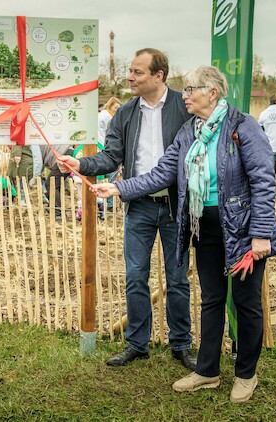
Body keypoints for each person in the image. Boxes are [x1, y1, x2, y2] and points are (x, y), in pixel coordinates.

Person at [92, 65, 276, 403]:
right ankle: (208, 371)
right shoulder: (189, 131)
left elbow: (264, 181)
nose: (184, 96)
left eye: (191, 89)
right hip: (205, 226)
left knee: (245, 302)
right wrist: (120, 189)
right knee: (211, 299)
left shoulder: (243, 126)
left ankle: (245, 374)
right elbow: (162, 172)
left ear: (212, 92)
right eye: (184, 90)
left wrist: (260, 234)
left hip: (241, 229)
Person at [57, 48, 196, 370]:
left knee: (177, 280)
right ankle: (137, 344)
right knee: (135, 276)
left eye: (137, 72)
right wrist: (80, 162)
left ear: (158, 75)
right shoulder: (125, 113)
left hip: (176, 207)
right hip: (140, 207)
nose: (129, 77)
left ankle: (181, 345)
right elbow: (111, 157)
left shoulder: (183, 107)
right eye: (130, 71)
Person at [98, 97, 122, 209]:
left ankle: (103, 203)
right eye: (115, 107)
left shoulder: (102, 114)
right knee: (112, 174)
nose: (117, 110)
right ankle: (109, 204)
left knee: (101, 178)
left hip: (100, 145)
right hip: (104, 146)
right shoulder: (108, 117)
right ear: (110, 106)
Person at [39, 143, 73, 221]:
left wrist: (36, 175)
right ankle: (52, 206)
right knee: (56, 185)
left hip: (63, 155)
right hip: (67, 153)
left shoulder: (32, 144)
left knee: (50, 184)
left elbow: (38, 160)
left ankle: (58, 213)